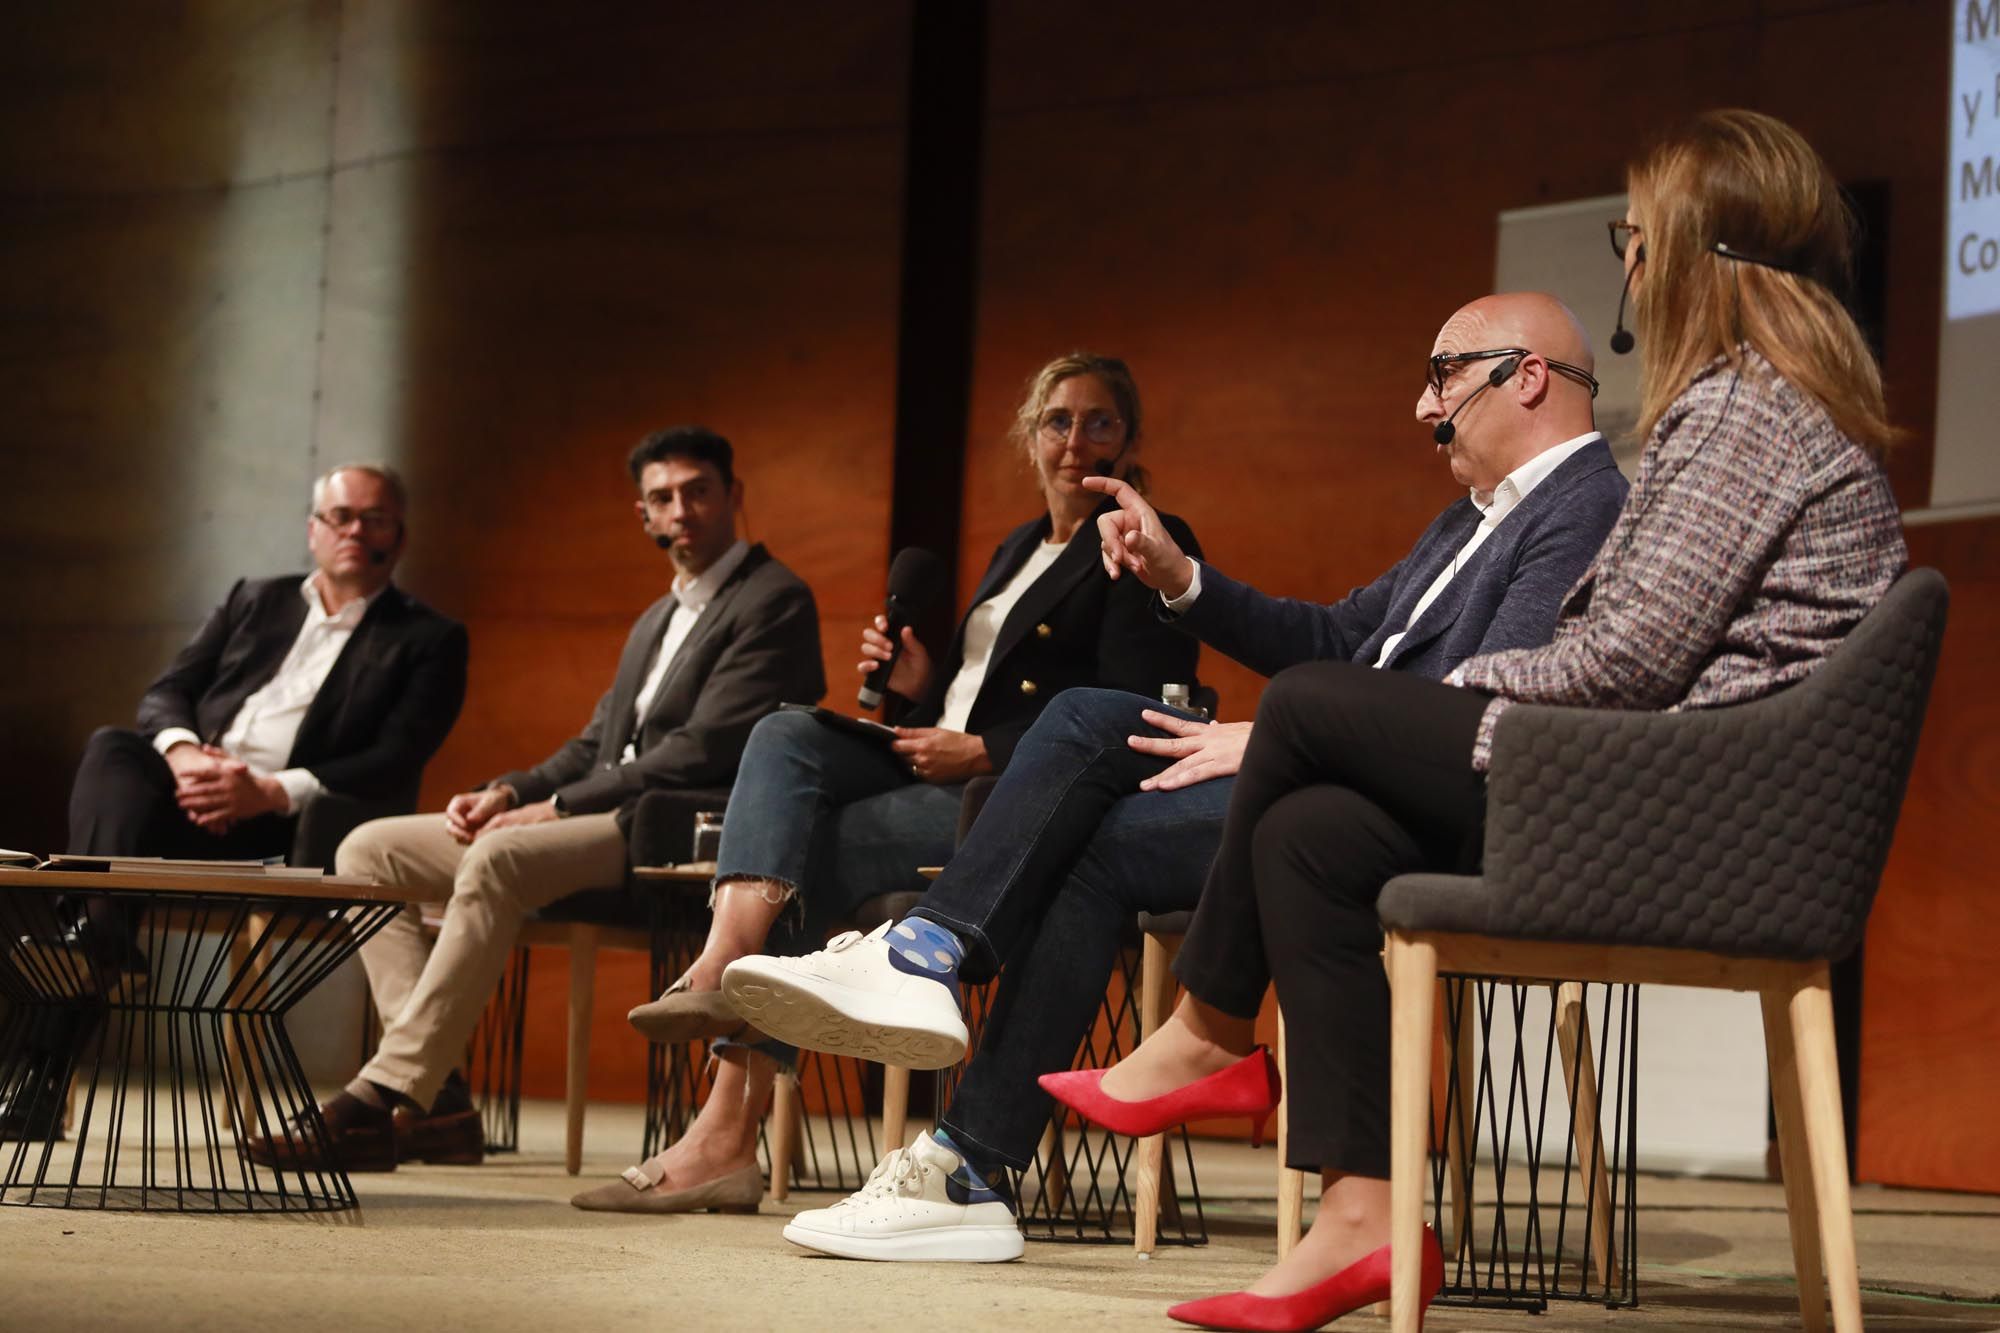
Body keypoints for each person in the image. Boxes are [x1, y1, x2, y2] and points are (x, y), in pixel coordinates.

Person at [1045, 109, 1907, 1331]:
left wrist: (1407, 705)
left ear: (1699, 247)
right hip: (1672, 783)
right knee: (1312, 836)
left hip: (1691, 811)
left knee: (1305, 710)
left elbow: (1626, 661)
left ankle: (1207, 1028)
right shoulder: (1745, 405)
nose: (1628, 262)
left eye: (1637, 234)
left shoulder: (1740, 410)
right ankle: (1356, 1220)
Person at [718, 293, 1630, 1261]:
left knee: (1080, 803)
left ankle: (956, 1112)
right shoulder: (1466, 522)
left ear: (1523, 375)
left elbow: (1482, 695)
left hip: (1407, 799)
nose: (1421, 405)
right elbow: (1330, 637)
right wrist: (1174, 575)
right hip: (1341, 773)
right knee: (1080, 762)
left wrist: (1286, 730)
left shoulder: (1584, 507)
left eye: (1440, 374)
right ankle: (948, 1079)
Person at [571, 352, 1203, 1215]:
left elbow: (1126, 710)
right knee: (785, 731)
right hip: (942, 757)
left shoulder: (1141, 538)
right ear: (1030, 433)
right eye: (1059, 419)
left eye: (1101, 421)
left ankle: (721, 1129)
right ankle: (727, 961)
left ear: (1129, 439)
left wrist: (980, 748)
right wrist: (920, 685)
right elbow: (982, 683)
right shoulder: (1021, 546)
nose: (1077, 438)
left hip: (1012, 800)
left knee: (810, 850)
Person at [246, 426, 825, 1173]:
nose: (680, 509)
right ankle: (443, 1097)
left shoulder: (775, 599)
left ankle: (383, 1089)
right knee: (368, 848)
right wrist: (509, 789)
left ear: (732, 496)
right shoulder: (660, 616)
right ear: (643, 515)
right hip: (606, 812)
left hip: (676, 828)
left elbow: (701, 749)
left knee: (500, 856)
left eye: (697, 491)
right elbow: (596, 742)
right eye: (662, 497)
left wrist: (550, 809)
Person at [0, 463, 469, 1143]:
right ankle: (101, 941)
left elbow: (394, 757)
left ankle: (55, 1047)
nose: (356, 530)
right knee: (113, 748)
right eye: (341, 515)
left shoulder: (428, 639)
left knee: (101, 898)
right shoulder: (257, 598)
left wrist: (267, 789)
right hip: (186, 799)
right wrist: (188, 755)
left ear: (399, 535)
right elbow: (167, 692)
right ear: (314, 529)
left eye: (375, 517)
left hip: (288, 830)